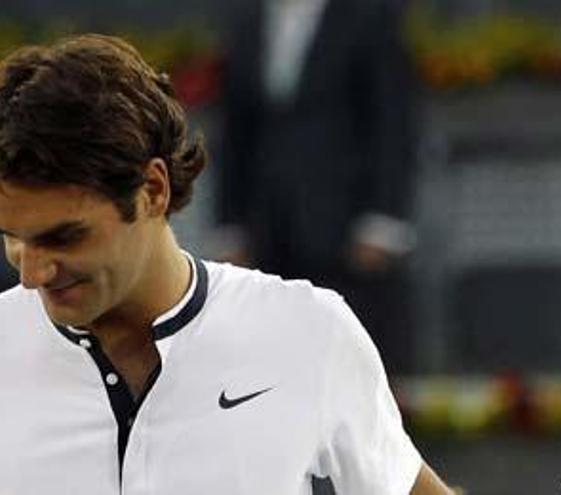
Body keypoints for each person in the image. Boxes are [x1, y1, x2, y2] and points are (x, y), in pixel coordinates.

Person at [0, 34, 451, 494]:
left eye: (64, 237)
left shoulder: (308, 330)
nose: (32, 274)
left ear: (153, 190)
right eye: (12, 239)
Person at [218, 0, 420, 374]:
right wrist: (230, 225)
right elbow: (235, 134)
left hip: (346, 226)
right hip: (267, 227)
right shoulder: (248, 22)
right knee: (273, 364)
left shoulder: (367, 18)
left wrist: (384, 219)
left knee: (350, 359)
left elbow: (392, 123)